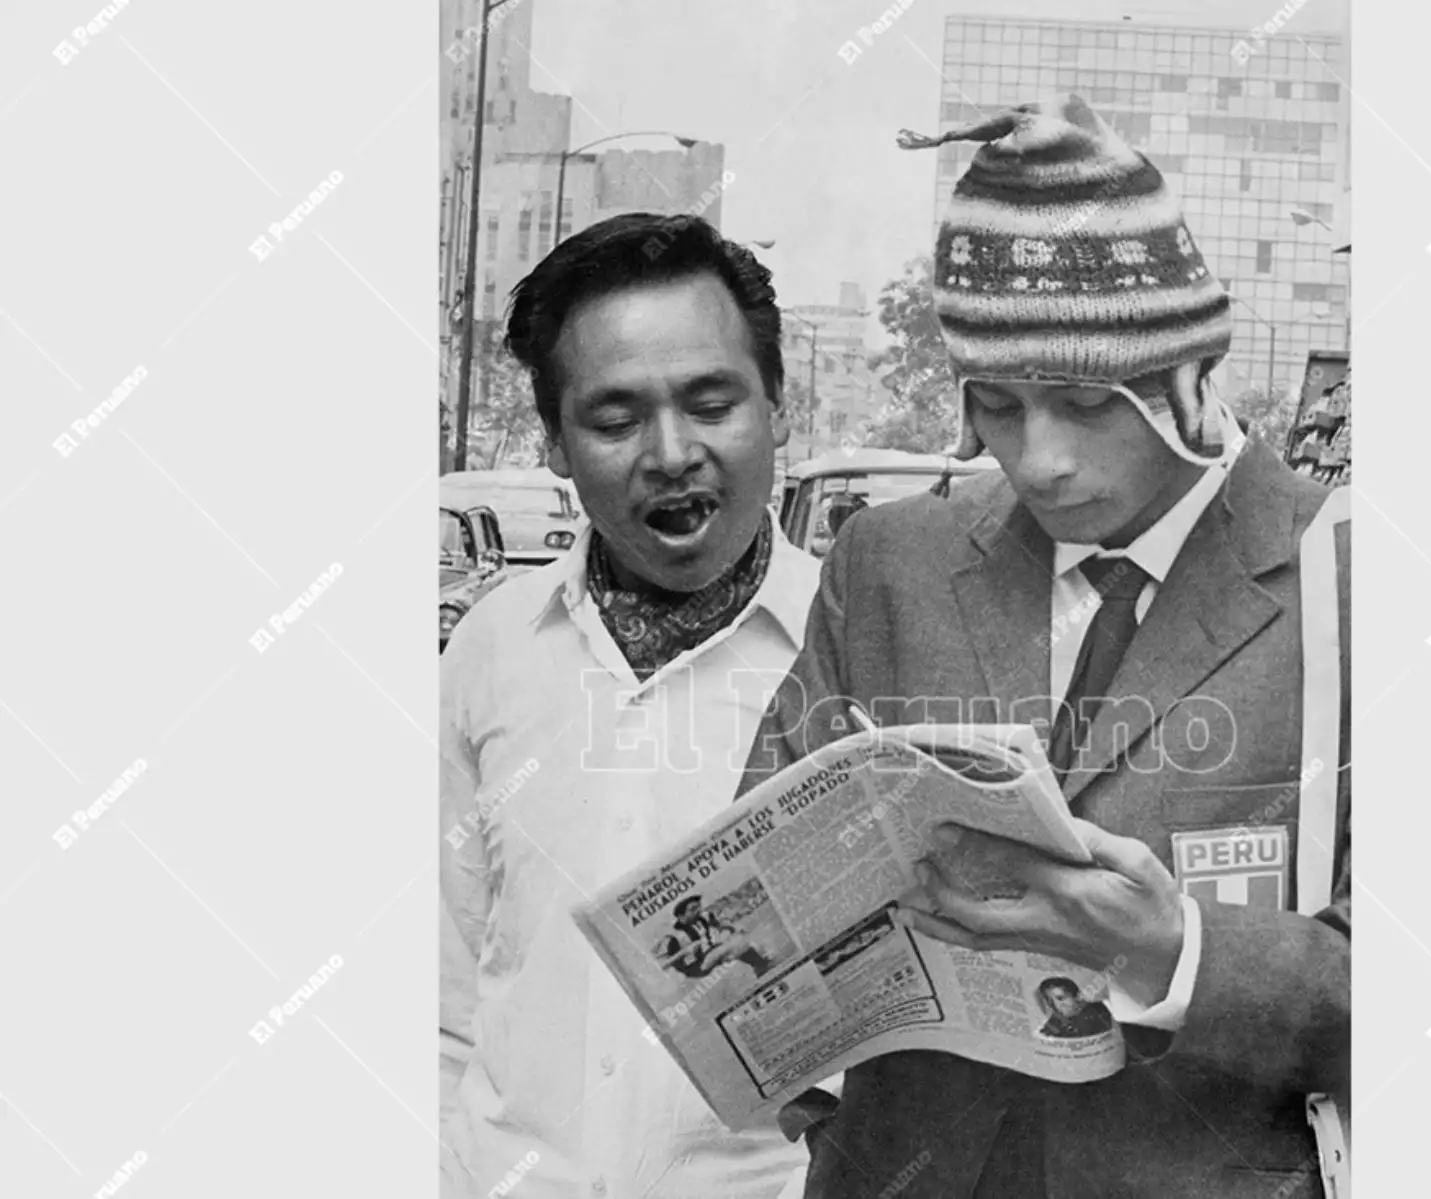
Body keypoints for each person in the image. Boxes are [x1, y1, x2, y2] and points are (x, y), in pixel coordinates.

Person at [737, 95, 1351, 1198]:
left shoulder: (1355, 581)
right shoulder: (890, 562)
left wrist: (1177, 948)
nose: (1042, 459)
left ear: (1187, 381)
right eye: (1000, 405)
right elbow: (760, 865)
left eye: (1083, 402)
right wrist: (812, 1088)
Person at [440, 213, 820, 1199]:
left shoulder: (857, 649)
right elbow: (440, 987)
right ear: (556, 443)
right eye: (614, 419)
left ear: (779, 405)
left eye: (711, 401)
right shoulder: (491, 646)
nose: (671, 452)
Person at [655, 895, 775, 979]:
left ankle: (761, 965)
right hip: (696, 967)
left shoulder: (704, 917)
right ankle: (760, 964)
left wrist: (731, 928)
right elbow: (662, 966)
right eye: (693, 909)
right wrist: (684, 952)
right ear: (681, 917)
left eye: (698, 907)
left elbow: (720, 924)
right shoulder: (674, 937)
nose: (698, 911)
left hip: (711, 953)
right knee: (734, 945)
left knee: (737, 941)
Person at [1035, 978, 1114, 1040]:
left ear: (1077, 997)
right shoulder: (1058, 1018)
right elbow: (1044, 1035)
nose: (1057, 1005)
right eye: (1050, 1001)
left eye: (1061, 998)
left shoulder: (1094, 1012)